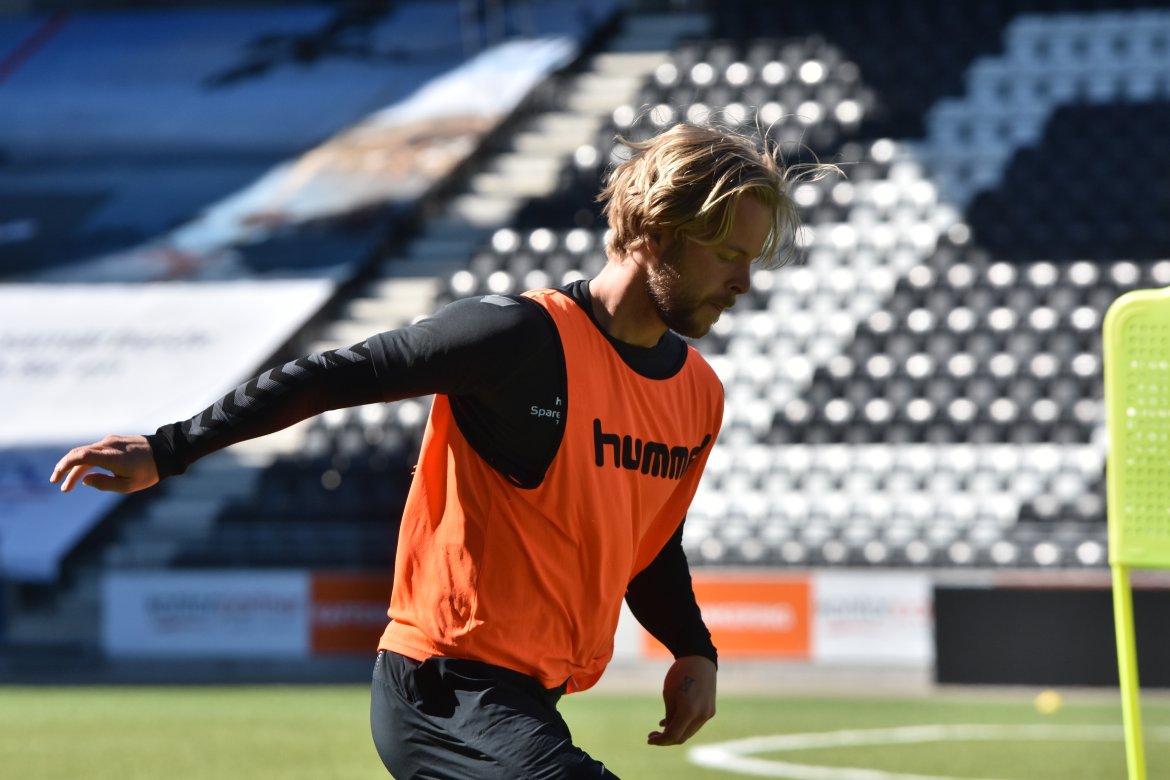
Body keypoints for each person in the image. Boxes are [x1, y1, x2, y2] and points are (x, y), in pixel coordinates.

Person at [50, 120, 821, 779]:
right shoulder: (517, 338)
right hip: (441, 687)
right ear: (657, 231)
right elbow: (330, 376)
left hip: (526, 699)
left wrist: (691, 649)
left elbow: (647, 543)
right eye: (728, 254)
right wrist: (170, 450)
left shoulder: (697, 393)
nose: (744, 282)